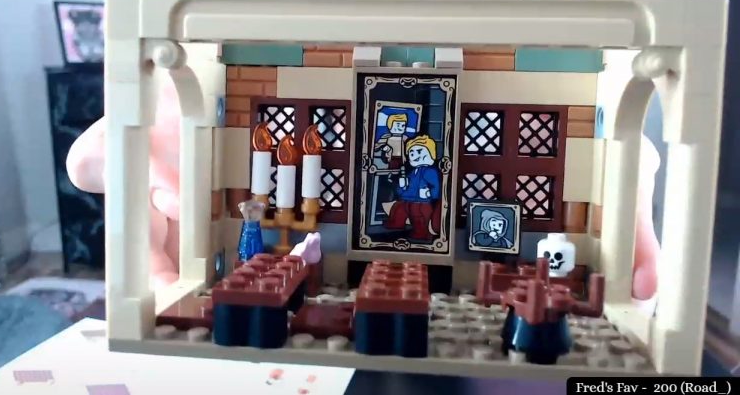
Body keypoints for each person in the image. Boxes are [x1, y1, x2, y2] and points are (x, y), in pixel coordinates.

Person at [66, 75, 661, 313]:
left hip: (429, 226)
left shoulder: (444, 146)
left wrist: (622, 149)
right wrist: (137, 129)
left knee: (414, 216)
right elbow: (92, 159)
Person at [383, 135, 441, 241]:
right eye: (411, 153)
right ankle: (396, 223)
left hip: (421, 202)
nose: (414, 155)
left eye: (419, 151)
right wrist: (402, 186)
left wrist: (428, 193)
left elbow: (436, 188)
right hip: (407, 200)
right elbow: (401, 192)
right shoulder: (412, 173)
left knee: (417, 213)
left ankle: (421, 232)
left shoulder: (429, 171)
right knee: (398, 207)